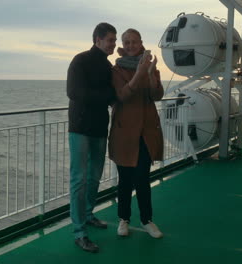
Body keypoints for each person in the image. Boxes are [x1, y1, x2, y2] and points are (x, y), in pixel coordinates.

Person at [108, 28, 164, 238]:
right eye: (127, 42)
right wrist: (139, 74)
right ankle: (123, 219)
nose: (131, 45)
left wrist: (149, 75)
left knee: (142, 179)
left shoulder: (151, 67)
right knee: (125, 180)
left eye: (134, 42)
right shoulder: (116, 70)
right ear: (123, 46)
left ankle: (147, 220)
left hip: (146, 133)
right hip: (124, 133)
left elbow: (156, 94)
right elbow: (122, 96)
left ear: (141, 43)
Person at [66, 22, 117, 253]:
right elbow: (75, 92)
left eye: (115, 41)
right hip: (80, 128)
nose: (113, 44)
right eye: (110, 40)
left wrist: (104, 96)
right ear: (98, 39)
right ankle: (79, 232)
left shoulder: (108, 67)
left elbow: (111, 95)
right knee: (79, 179)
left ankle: (87, 215)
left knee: (94, 176)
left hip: (99, 128)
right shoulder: (80, 60)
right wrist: (105, 96)